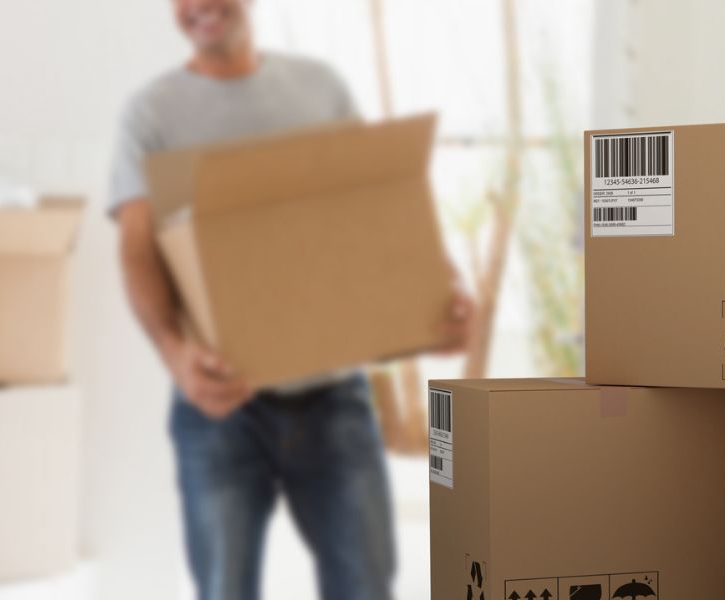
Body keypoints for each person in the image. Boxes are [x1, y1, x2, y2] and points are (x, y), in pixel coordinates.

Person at [109, 1, 475, 599]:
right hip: (218, 410)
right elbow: (136, 250)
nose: (199, 6)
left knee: (365, 587)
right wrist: (175, 354)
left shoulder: (318, 89)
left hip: (334, 398)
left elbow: (378, 205)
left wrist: (439, 293)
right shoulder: (150, 114)